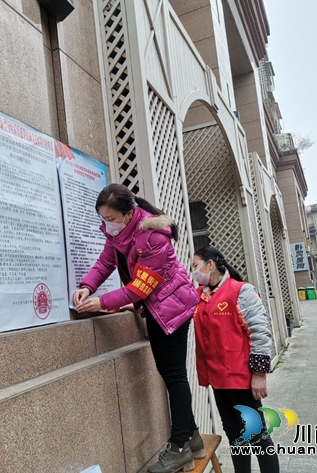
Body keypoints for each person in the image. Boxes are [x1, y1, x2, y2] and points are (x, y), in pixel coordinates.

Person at [74, 184, 203, 473]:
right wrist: (86, 286)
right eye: (102, 218)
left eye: (110, 218)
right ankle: (192, 437)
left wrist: (101, 303)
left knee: (174, 377)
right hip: (157, 309)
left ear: (128, 213)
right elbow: (105, 262)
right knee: (171, 375)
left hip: (172, 311)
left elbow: (138, 289)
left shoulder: (154, 237)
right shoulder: (118, 231)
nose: (106, 224)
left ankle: (180, 447)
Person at [192, 246, 280, 473]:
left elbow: (260, 333)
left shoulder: (241, 291)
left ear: (210, 264)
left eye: (195, 266)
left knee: (259, 438)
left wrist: (259, 375)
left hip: (242, 379)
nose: (194, 272)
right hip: (219, 380)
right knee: (235, 437)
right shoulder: (202, 296)